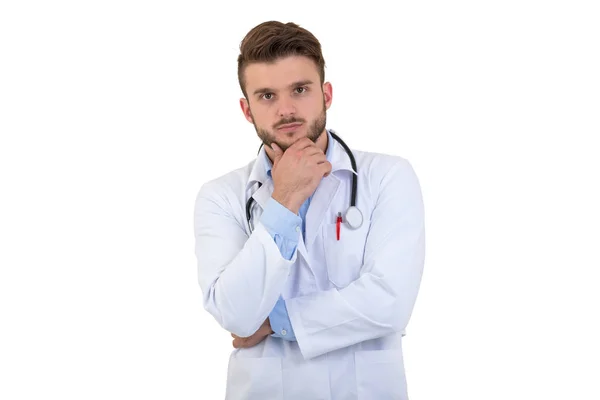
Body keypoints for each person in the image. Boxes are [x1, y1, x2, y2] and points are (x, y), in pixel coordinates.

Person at [193, 20, 426, 400]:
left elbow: (390, 302)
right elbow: (235, 314)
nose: (286, 110)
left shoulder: (387, 177)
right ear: (247, 110)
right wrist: (285, 200)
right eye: (266, 96)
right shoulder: (220, 197)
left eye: (300, 90)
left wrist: (274, 321)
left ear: (327, 94)